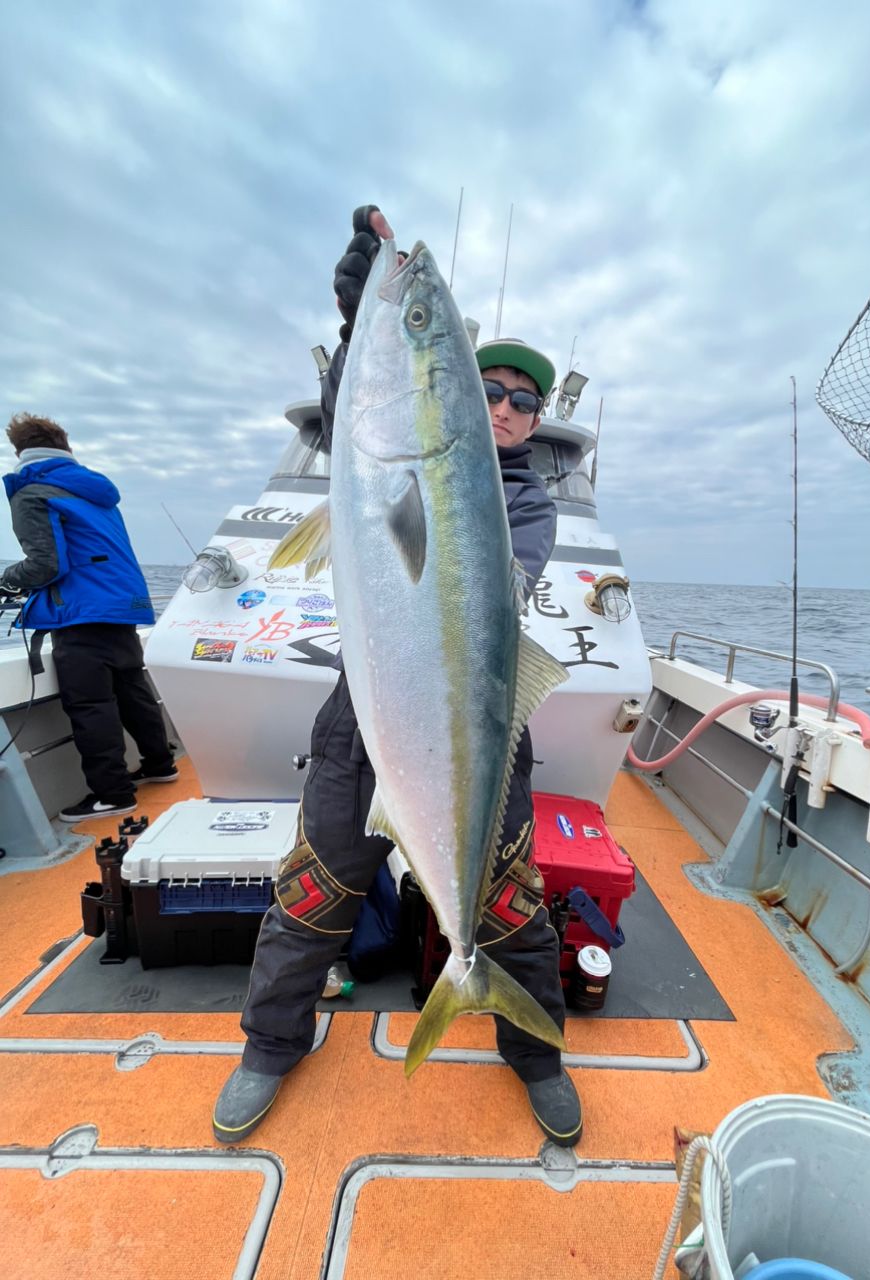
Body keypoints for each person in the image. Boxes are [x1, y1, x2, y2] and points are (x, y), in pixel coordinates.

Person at [213, 205, 582, 1148]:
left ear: (534, 422)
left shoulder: (528, 506)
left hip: (479, 719)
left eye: (521, 401)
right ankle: (269, 1044)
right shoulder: (374, 450)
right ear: (456, 392)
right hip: (364, 716)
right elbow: (364, 425)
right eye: (487, 389)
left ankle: (533, 1051)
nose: (503, 407)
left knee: (508, 901)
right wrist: (361, 319)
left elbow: (482, 577)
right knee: (315, 887)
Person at [1, 414, 177, 822]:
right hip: (122, 606)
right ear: (65, 446)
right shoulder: (93, 489)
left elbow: (47, 565)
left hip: (81, 612)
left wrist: (7, 579)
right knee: (133, 691)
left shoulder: (32, 491)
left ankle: (113, 795)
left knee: (90, 703)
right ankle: (160, 764)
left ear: (20, 452)